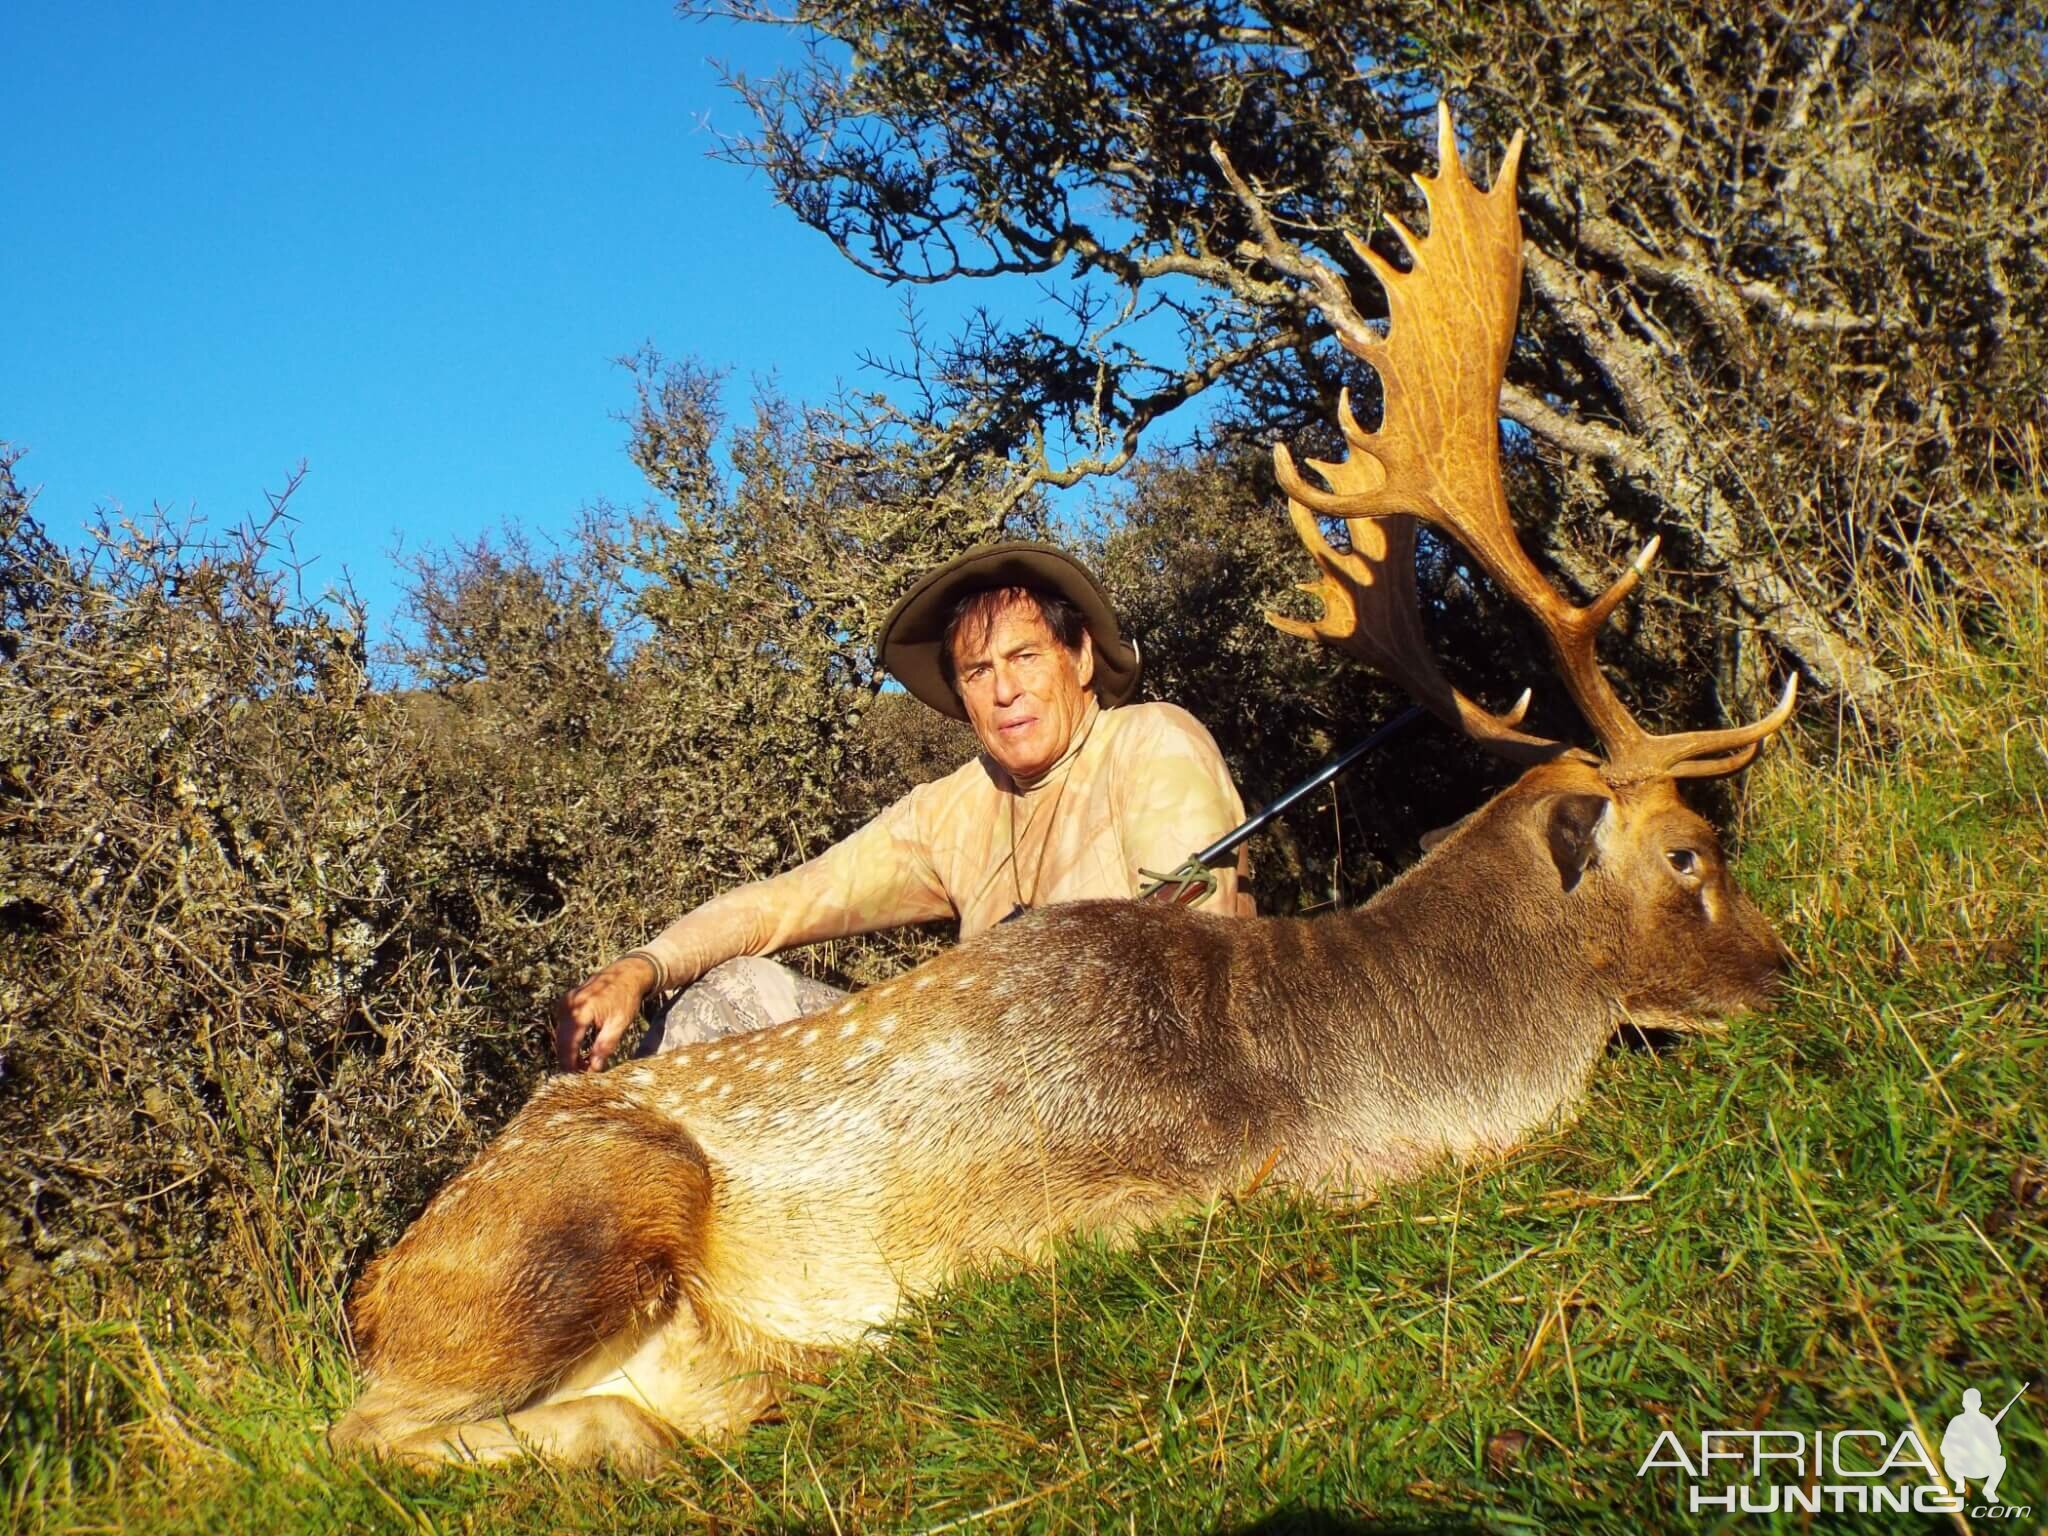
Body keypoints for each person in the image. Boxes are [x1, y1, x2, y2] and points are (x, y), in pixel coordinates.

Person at [553, 540, 1250, 1071]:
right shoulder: (953, 808)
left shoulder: (1154, 743)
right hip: (975, 1085)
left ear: (1081, 659)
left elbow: (1192, 971)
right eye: (979, 672)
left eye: (1026, 657)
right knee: (729, 995)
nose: (1005, 691)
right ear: (961, 694)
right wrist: (642, 968)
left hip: (1134, 1086)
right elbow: (786, 903)